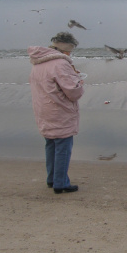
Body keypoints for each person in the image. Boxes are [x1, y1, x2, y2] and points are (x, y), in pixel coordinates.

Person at [28, 32, 85, 193]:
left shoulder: (38, 62)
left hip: (43, 109)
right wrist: (79, 82)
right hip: (59, 110)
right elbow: (73, 92)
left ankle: (52, 178)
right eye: (70, 50)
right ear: (66, 49)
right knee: (63, 146)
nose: (70, 54)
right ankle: (61, 183)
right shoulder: (60, 63)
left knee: (51, 144)